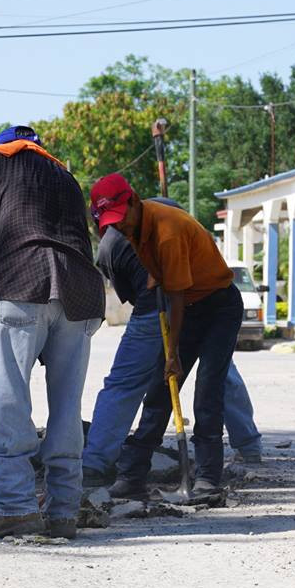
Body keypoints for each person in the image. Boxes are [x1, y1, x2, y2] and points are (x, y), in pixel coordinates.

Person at [0, 125, 104, 539]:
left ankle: (16, 507)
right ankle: (63, 512)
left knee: (8, 398)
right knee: (65, 405)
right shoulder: (64, 175)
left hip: (22, 283)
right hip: (79, 291)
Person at [82, 197, 263, 489]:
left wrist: (172, 353)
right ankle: (131, 474)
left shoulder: (165, 227)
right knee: (162, 389)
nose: (118, 226)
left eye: (120, 218)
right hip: (171, 306)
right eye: (111, 222)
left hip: (208, 305)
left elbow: (177, 296)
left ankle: (206, 476)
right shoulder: (127, 234)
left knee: (209, 385)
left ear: (133, 204)